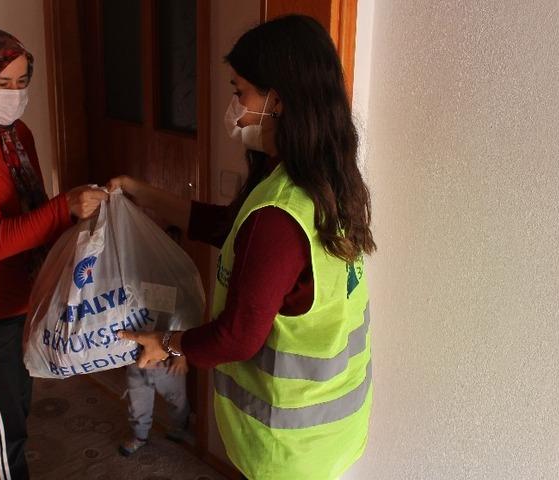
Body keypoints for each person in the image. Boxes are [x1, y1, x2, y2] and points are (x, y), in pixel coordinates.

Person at [111, 15, 376, 480]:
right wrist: (142, 193)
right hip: (332, 424)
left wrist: (168, 344)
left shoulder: (279, 213)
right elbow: (233, 230)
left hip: (285, 445)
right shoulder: (324, 178)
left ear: (277, 100)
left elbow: (237, 337)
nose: (235, 107)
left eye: (240, 92)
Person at [0, 28, 106, 480]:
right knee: (2, 433)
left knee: (20, 409)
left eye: (21, 83)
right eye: (2, 84)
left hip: (28, 298)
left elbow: (34, 210)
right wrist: (67, 207)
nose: (14, 95)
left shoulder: (17, 133)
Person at [118, 356, 191, 456]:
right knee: (138, 404)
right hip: (136, 363)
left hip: (168, 364)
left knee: (177, 400)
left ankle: (178, 426)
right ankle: (140, 436)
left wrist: (181, 357)